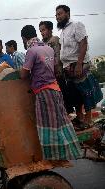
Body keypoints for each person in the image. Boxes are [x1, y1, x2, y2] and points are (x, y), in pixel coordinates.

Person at [20, 25, 82, 160]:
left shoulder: (31, 51)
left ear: (24, 39)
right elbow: (53, 68)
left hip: (43, 93)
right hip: (56, 89)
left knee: (47, 124)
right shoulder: (48, 48)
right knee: (60, 121)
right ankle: (70, 151)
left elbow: (24, 75)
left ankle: (53, 156)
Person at [56, 5, 103, 126]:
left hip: (79, 65)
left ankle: (88, 119)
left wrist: (79, 64)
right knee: (75, 95)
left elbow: (83, 43)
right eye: (56, 15)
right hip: (68, 68)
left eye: (60, 14)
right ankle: (80, 118)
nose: (58, 17)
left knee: (86, 93)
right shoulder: (63, 32)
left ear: (67, 13)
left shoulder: (77, 25)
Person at [39, 20, 82, 115]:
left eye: (44, 30)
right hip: (49, 77)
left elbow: (58, 56)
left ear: (50, 29)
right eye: (41, 31)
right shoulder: (42, 44)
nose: (42, 33)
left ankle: (70, 116)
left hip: (59, 74)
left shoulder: (54, 40)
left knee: (64, 97)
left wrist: (58, 70)